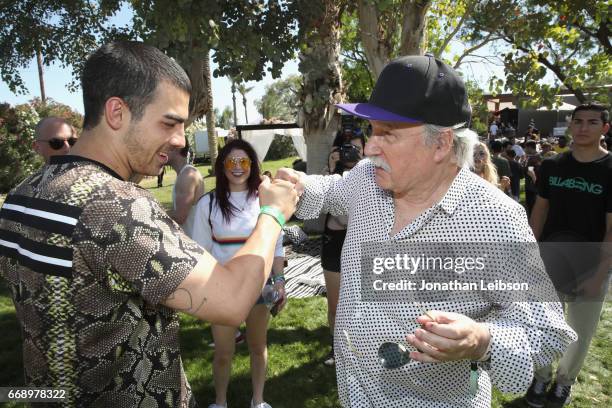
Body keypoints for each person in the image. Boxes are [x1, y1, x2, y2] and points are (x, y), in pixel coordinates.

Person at [0, 41, 297, 407]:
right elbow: (233, 301)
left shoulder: (22, 195)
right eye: (169, 123)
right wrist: (273, 213)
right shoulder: (117, 206)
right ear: (116, 112)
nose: (178, 141)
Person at [276, 55, 576, 407]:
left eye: (387, 134)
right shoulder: (366, 179)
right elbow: (328, 191)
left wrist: (481, 340)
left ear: (441, 144)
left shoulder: (495, 219)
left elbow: (546, 330)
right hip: (356, 395)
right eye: (372, 130)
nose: (370, 147)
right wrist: (295, 184)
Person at [526, 102, 611, 407]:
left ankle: (564, 382)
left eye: (591, 122)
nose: (583, 127)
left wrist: (600, 275)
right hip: (550, 260)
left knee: (579, 331)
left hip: (590, 265)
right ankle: (541, 375)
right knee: (542, 323)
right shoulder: (553, 166)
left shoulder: (610, 170)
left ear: (605, 127)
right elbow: (539, 211)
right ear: (571, 125)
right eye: (578, 122)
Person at [190, 139, 286, 408]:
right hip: (222, 290)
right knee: (223, 353)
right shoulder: (207, 204)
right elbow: (201, 252)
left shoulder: (265, 199)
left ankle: (258, 400)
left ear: (253, 165)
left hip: (259, 286)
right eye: (230, 161)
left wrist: (279, 281)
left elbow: (276, 244)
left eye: (243, 161)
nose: (237, 167)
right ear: (222, 166)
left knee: (258, 346)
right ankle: (220, 402)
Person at [321, 129, 366, 366]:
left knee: (363, 301)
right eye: (347, 149)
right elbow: (321, 207)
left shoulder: (374, 174)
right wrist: (331, 170)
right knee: (336, 304)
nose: (351, 154)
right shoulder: (331, 175)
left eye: (357, 149)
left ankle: (362, 349)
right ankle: (336, 349)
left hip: (362, 243)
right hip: (335, 241)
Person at [168, 139, 205, 236]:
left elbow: (179, 217)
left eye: (164, 147)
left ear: (176, 148)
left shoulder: (187, 175)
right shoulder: (184, 174)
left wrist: (152, 212)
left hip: (195, 243)